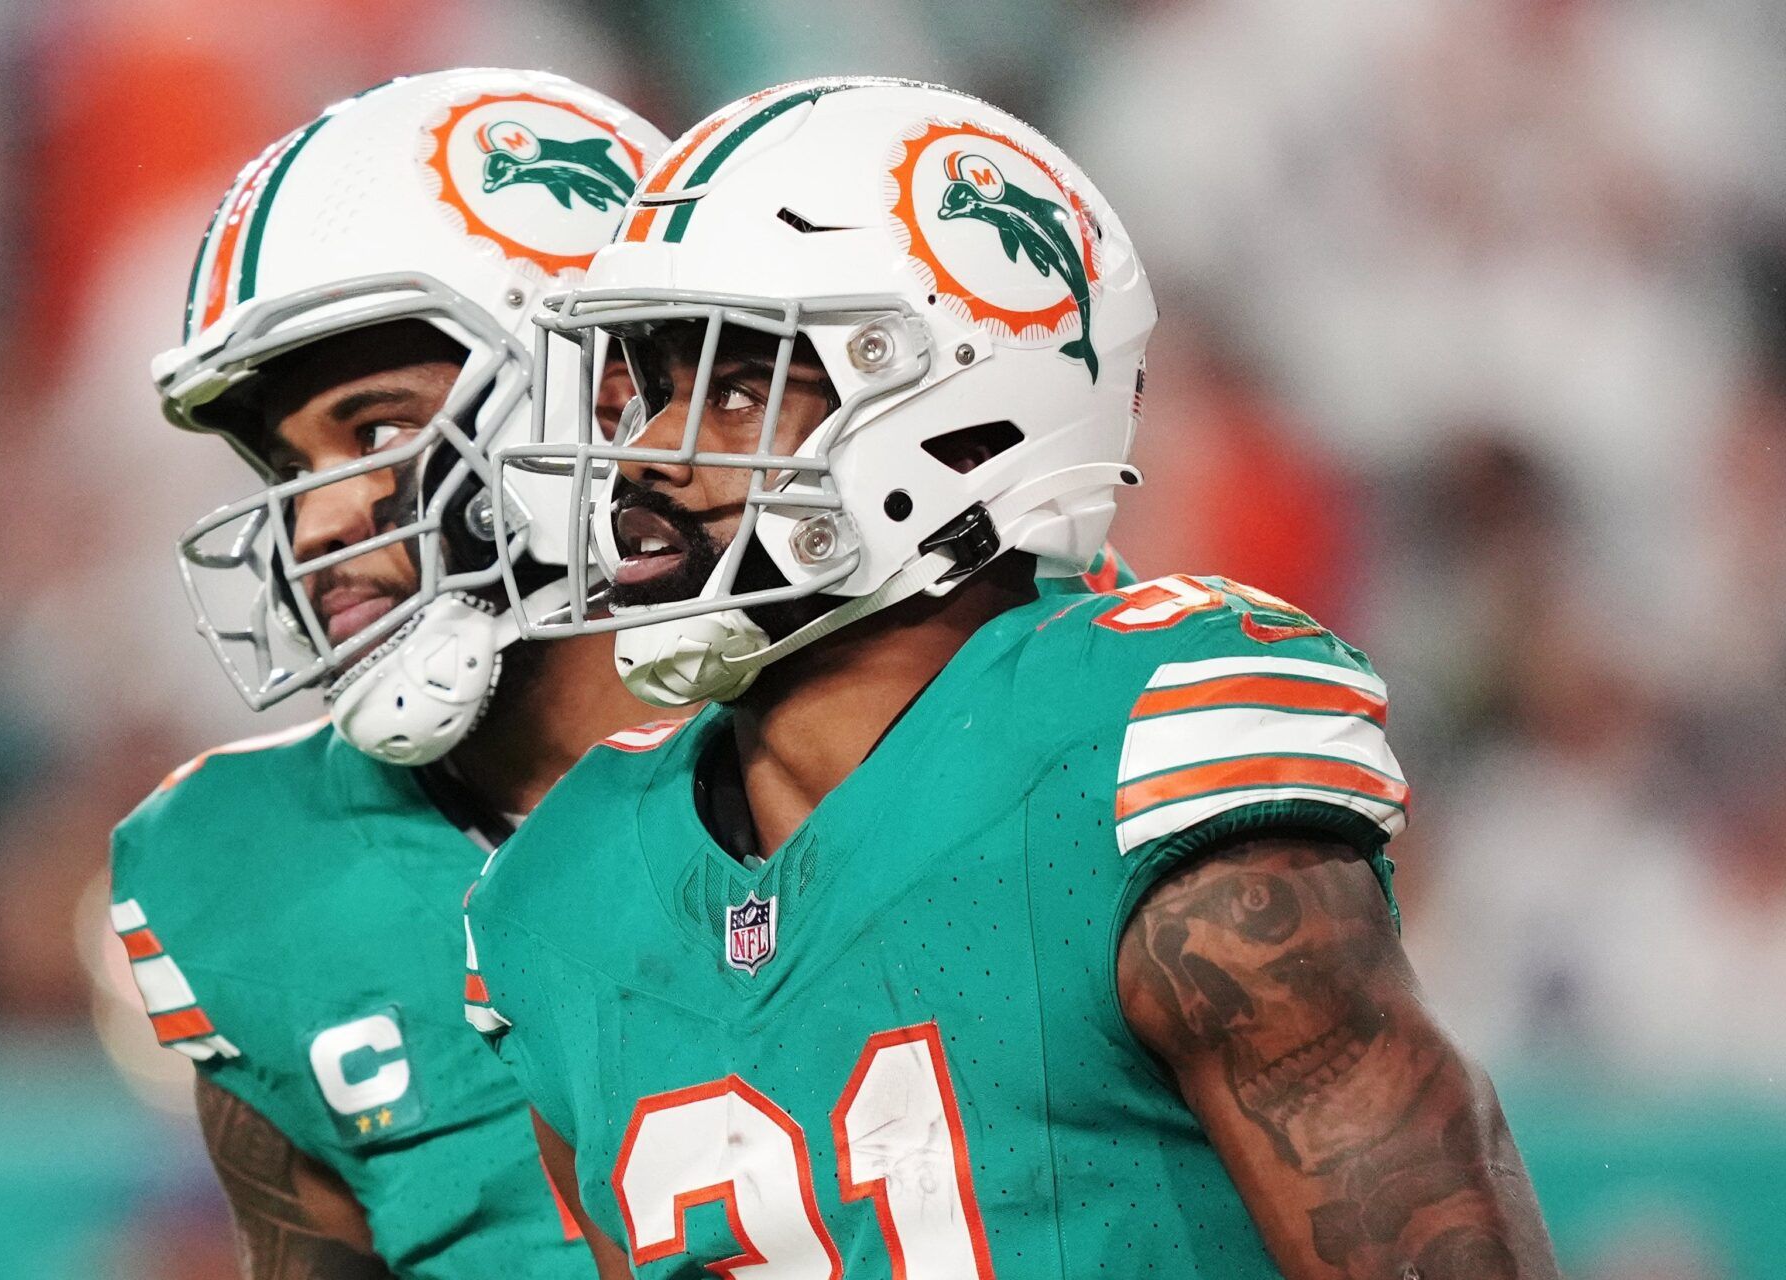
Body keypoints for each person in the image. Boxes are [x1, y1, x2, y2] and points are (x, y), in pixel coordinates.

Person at [466, 78, 1560, 1278]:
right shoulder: (562, 897)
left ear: (964, 412)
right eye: (642, 388)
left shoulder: (1133, 747)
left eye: (732, 386)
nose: (646, 457)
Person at [109, 69, 671, 1278]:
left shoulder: (906, 737)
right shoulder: (252, 877)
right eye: (285, 466)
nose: (314, 527)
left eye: (374, 431)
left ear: (601, 393)